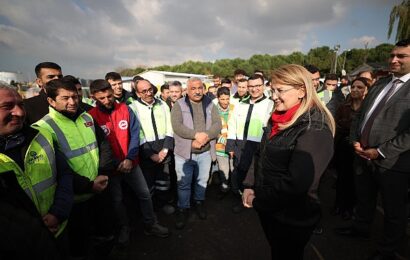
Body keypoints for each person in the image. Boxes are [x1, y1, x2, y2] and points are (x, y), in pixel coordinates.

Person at [242, 64, 335, 260]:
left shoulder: (314, 129)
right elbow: (261, 153)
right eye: (272, 90)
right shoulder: (278, 118)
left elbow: (297, 184)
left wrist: (259, 201)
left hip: (291, 218)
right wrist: (250, 185)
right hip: (272, 209)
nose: (274, 96)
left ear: (302, 91)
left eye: (280, 90)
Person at [336, 39, 410, 260]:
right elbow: (360, 114)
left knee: (393, 211)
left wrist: (381, 151)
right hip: (362, 155)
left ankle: (388, 251)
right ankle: (360, 229)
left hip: (393, 163)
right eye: (392, 55)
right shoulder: (380, 83)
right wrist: (355, 140)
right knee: (364, 198)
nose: (393, 59)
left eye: (401, 56)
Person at [34, 79, 114, 258]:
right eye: (65, 98)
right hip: (74, 199)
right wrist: (88, 185)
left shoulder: (87, 117)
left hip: (99, 189)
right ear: (51, 101)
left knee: (104, 234)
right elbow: (58, 169)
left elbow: (103, 145)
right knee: (80, 244)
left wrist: (102, 173)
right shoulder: (43, 129)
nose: (72, 102)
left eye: (75, 97)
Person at [88, 79, 169, 246]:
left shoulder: (125, 109)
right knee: (117, 201)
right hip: (111, 169)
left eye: (109, 96)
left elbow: (135, 134)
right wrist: (115, 163)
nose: (107, 100)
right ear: (93, 97)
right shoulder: (91, 116)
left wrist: (130, 158)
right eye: (101, 98)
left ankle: (150, 223)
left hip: (131, 164)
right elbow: (97, 145)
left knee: (145, 194)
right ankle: (124, 228)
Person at [0, 85, 73, 259]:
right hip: (18, 246)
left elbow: (65, 174)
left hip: (57, 229)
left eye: (21, 104)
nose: (18, 112)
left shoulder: (41, 135)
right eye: (7, 106)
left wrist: (57, 213)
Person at [171, 77, 222, 229]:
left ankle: (199, 202)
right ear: (187, 90)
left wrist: (205, 136)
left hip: (205, 152)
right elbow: (177, 126)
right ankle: (183, 208)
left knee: (202, 181)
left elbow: (217, 124)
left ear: (204, 88)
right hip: (184, 154)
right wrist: (195, 135)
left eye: (199, 87)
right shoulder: (179, 105)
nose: (197, 91)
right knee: (184, 184)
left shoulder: (210, 104)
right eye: (193, 88)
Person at [226, 74, 274, 213]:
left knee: (257, 174)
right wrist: (231, 146)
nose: (254, 89)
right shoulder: (241, 104)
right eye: (251, 86)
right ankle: (242, 200)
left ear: (263, 86)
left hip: (260, 145)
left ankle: (257, 202)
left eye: (257, 86)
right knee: (240, 172)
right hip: (241, 145)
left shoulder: (270, 104)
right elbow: (232, 125)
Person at [128, 79, 175, 215]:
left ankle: (162, 205)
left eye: (150, 89)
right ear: (137, 93)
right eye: (144, 91)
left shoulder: (162, 104)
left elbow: (169, 128)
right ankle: (151, 209)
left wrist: (165, 150)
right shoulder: (133, 107)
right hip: (146, 152)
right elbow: (137, 134)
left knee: (164, 182)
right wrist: (150, 154)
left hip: (163, 151)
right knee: (149, 184)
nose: (149, 93)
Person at [333, 77, 369, 220]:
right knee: (342, 178)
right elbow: (337, 125)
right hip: (343, 148)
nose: (355, 90)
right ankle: (339, 205)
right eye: (353, 87)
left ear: (366, 90)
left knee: (356, 180)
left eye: (359, 87)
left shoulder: (368, 107)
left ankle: (351, 207)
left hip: (360, 149)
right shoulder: (343, 107)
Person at [215, 87, 235, 194]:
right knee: (224, 171)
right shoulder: (213, 110)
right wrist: (222, 139)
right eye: (222, 99)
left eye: (227, 99)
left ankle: (235, 192)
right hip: (220, 147)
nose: (225, 102)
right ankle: (224, 190)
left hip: (233, 146)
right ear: (218, 98)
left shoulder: (234, 108)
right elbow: (211, 129)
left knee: (234, 170)